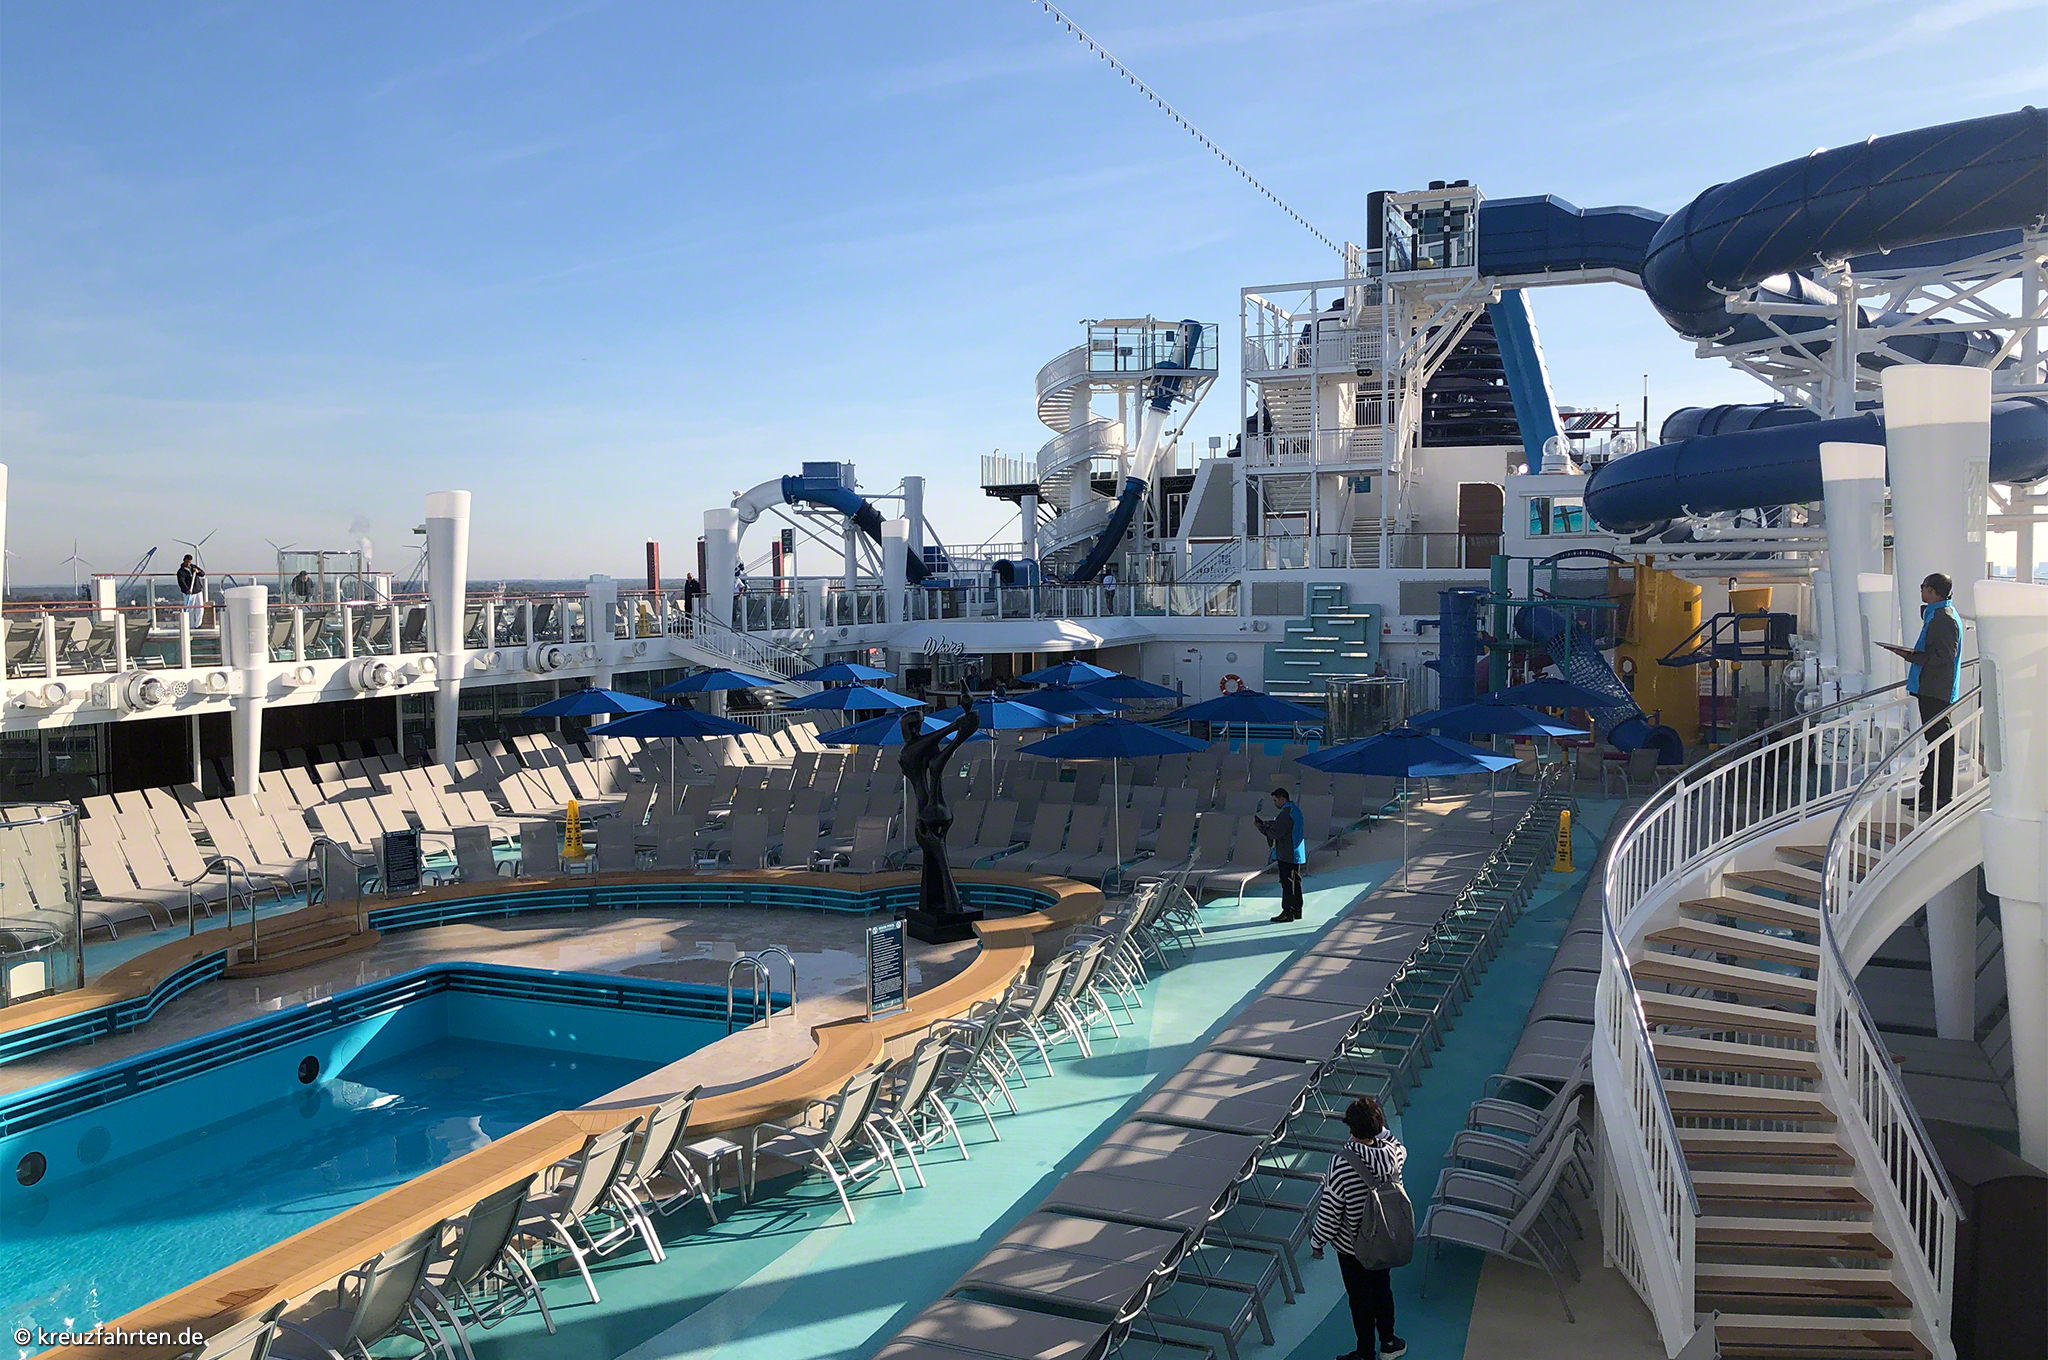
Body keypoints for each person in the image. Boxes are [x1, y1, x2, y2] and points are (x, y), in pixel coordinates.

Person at [1311, 1096, 1408, 1360]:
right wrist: (1378, 1128)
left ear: (1350, 1128)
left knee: (1360, 1300)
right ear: (1379, 1126)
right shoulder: (1394, 1155)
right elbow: (1393, 1142)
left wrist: (1317, 1241)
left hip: (1352, 1247)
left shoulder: (1341, 1163)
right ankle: (1389, 1342)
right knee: (1382, 1290)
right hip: (1385, 1238)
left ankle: (1365, 1352)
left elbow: (1331, 1210)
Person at [1879, 572, 1961, 811]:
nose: (1921, 591)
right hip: (1931, 688)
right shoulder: (1937, 614)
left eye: (1923, 587)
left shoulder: (1944, 618)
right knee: (1934, 741)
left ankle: (1940, 795)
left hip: (1936, 689)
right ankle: (1928, 792)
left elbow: (1944, 656)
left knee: (1940, 741)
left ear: (1932, 590)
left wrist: (1911, 656)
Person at [1255, 786, 1307, 923]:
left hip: (1287, 853)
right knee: (1296, 881)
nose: (1274, 803)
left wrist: (1261, 827)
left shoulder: (1285, 813)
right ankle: (1297, 910)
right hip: (1296, 852)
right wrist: (1273, 823)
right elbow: (1287, 827)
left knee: (1287, 883)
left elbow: (1276, 834)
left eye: (1275, 800)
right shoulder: (1295, 810)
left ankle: (1287, 912)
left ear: (1282, 799)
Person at [175, 554, 206, 624]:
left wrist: (198, 571)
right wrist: (187, 590)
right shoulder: (181, 572)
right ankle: (190, 625)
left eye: (189, 562)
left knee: (200, 608)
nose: (188, 564)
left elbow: (203, 574)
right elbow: (181, 583)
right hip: (189, 593)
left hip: (198, 591)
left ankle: (198, 625)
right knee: (190, 609)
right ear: (183, 561)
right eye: (187, 562)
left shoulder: (194, 567)